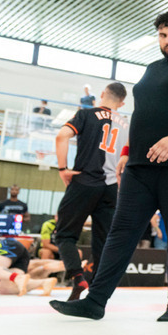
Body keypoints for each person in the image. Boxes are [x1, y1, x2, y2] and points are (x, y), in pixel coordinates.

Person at [50, 10, 168, 322]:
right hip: (140, 167)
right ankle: (96, 301)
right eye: (162, 35)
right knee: (121, 232)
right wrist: (129, 153)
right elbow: (144, 114)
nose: (167, 41)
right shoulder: (152, 68)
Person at [51, 82, 129, 301]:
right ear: (122, 103)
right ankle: (97, 293)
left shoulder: (85, 114)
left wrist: (62, 168)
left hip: (84, 181)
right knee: (103, 242)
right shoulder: (127, 125)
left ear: (103, 94)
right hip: (111, 188)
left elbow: (62, 136)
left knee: (65, 234)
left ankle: (78, 277)